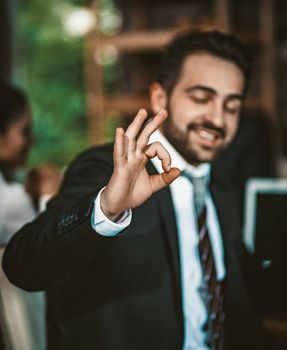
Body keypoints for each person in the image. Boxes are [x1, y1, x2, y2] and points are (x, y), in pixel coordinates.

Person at [2, 31, 266, 350]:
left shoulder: (221, 187)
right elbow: (22, 266)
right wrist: (107, 209)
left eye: (232, 106)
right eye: (201, 98)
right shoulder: (105, 171)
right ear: (159, 98)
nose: (217, 118)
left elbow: (246, 289)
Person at [0, 82, 61, 350]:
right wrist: (50, 197)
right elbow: (50, 245)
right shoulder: (8, 200)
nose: (31, 139)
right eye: (24, 130)